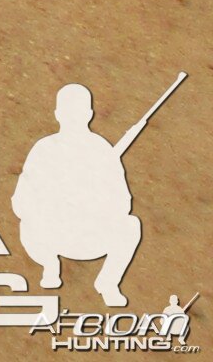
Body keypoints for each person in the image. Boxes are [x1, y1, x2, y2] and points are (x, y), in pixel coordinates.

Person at [12, 82, 146, 307]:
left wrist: (92, 199)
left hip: (90, 236)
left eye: (77, 112)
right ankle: (50, 265)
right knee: (27, 222)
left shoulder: (102, 150)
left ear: (89, 114)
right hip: (50, 236)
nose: (73, 117)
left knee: (131, 225)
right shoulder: (44, 149)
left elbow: (123, 203)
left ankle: (108, 283)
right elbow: (21, 200)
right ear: (58, 114)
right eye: (69, 112)